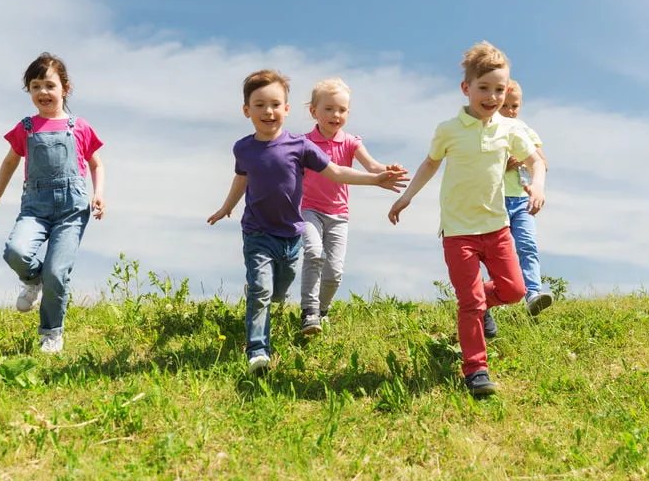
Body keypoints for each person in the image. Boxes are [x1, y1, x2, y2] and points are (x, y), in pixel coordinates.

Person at [207, 69, 408, 375]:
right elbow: (241, 178)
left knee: (279, 289)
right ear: (247, 110)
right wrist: (226, 207)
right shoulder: (244, 148)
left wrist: (375, 178)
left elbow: (337, 172)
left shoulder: (300, 147)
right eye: (259, 105)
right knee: (261, 291)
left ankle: (272, 297)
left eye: (275, 104)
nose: (268, 111)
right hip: (257, 231)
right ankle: (258, 350)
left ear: (286, 109)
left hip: (290, 234)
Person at [388, 42, 546, 396]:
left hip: (497, 227)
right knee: (470, 303)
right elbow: (430, 163)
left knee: (515, 290)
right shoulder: (449, 129)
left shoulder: (510, 128)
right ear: (466, 88)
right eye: (484, 88)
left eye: (499, 90)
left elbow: (536, 160)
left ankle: (479, 303)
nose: (492, 97)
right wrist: (407, 196)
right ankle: (476, 369)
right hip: (458, 232)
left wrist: (537, 185)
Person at [0, 52, 106, 354]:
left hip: (71, 209)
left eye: (49, 85)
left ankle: (51, 332)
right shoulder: (26, 128)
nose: (42, 93)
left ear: (65, 88)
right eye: (35, 86)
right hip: (35, 206)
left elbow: (96, 164)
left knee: (57, 273)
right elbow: (10, 162)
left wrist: (99, 194)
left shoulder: (79, 127)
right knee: (15, 251)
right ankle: (31, 279)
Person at [299, 78, 403, 334]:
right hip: (308, 209)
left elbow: (372, 166)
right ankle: (309, 311)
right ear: (314, 111)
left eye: (342, 110)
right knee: (313, 254)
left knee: (334, 271)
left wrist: (386, 170)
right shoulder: (303, 143)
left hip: (338, 215)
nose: (336, 115)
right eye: (329, 109)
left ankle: (322, 310)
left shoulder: (351, 142)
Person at [500, 79, 553, 316]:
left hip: (521, 200)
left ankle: (533, 294)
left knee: (527, 245)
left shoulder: (523, 129)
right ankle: (501, 296)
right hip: (495, 200)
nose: (510, 111)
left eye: (515, 106)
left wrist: (524, 159)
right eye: (505, 106)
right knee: (499, 253)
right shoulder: (487, 130)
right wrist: (503, 164)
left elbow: (543, 163)